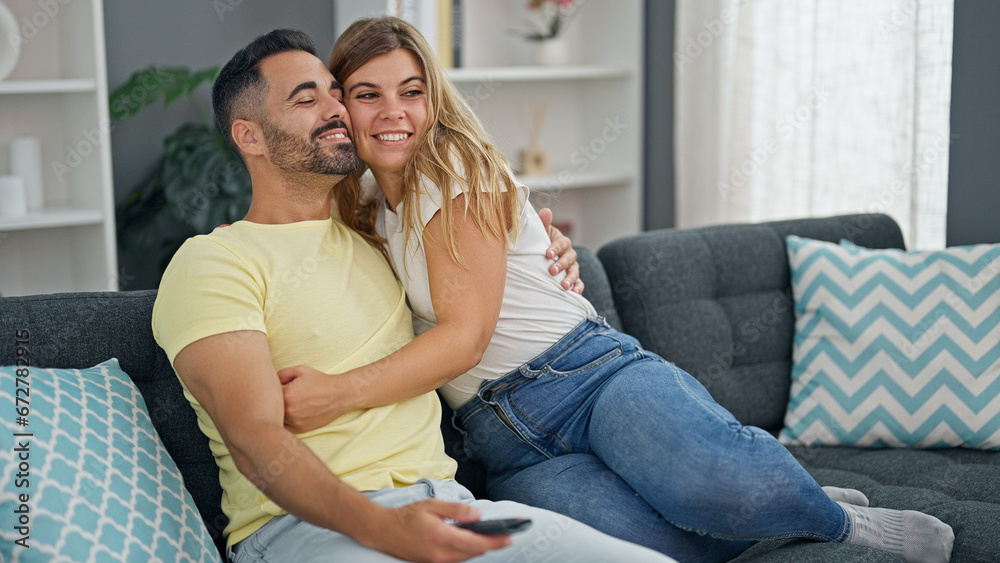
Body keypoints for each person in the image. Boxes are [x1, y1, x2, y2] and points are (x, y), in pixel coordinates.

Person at [274, 16, 956, 563]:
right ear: (343, 107)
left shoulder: (455, 166)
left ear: (433, 99)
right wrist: (546, 246)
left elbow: (464, 336)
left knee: (711, 480)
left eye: (411, 90)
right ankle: (778, 499)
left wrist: (337, 391)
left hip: (584, 374)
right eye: (368, 93)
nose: (393, 112)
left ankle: (832, 520)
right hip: (502, 437)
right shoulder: (366, 209)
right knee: (652, 548)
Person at [151, 28, 673, 563]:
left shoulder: (377, 235)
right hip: (307, 531)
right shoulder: (213, 262)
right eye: (307, 99)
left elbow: (471, 281)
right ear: (250, 136)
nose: (337, 109)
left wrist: (542, 244)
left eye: (336, 93)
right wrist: (385, 528)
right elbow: (255, 439)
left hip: (451, 506)